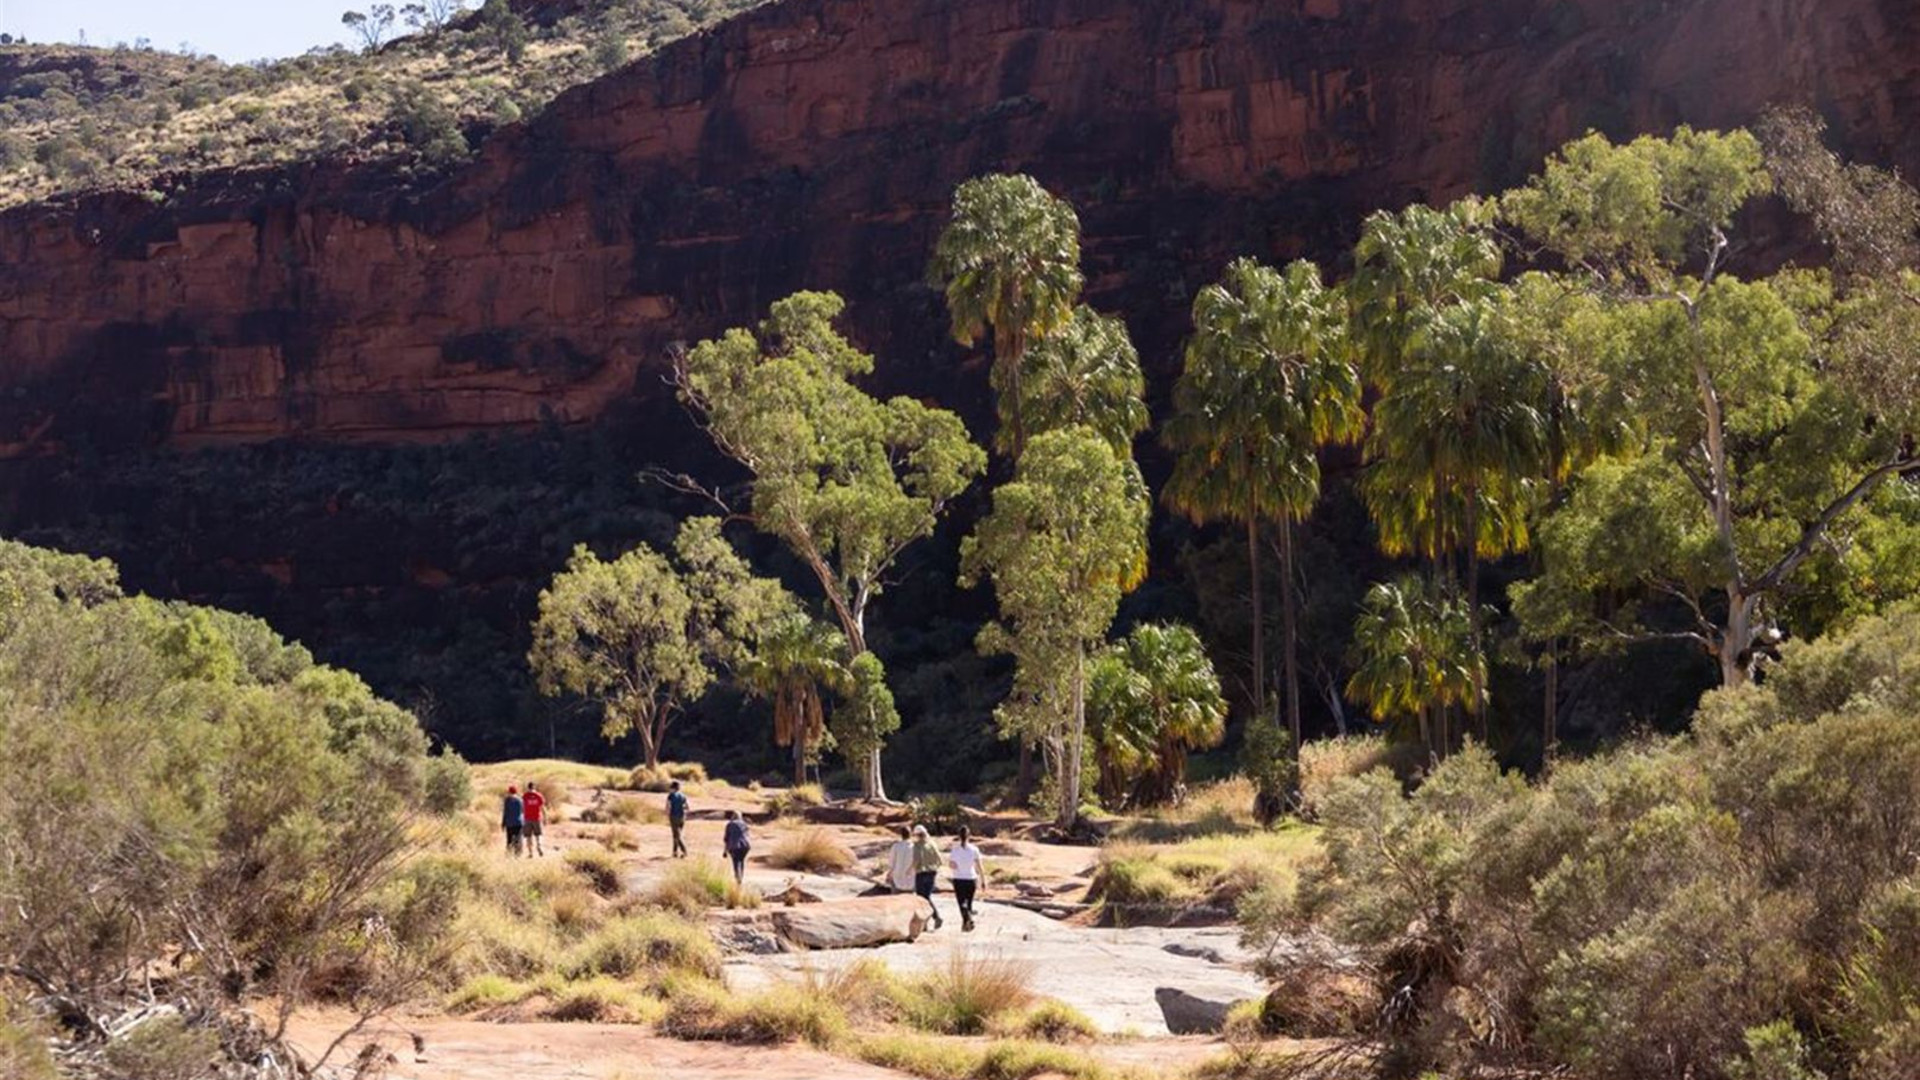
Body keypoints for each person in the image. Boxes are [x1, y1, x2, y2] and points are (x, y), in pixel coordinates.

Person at [948, 826, 985, 933]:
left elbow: (951, 864)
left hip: (959, 879)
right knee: (968, 903)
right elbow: (979, 866)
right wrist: (983, 880)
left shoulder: (955, 850)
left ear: (959, 836)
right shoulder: (974, 849)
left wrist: (956, 866)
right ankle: (966, 925)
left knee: (962, 903)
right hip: (971, 878)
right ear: (969, 836)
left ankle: (969, 920)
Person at [910, 824, 944, 930]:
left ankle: (934, 917)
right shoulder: (932, 844)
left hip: (921, 873)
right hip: (932, 872)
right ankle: (932, 919)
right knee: (927, 896)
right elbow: (940, 860)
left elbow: (916, 860)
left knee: (922, 898)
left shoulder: (917, 845)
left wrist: (910, 870)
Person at [722, 809, 751, 885]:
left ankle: (738, 879)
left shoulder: (730, 824)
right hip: (745, 845)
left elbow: (726, 839)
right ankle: (740, 877)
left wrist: (725, 851)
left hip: (734, 846)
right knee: (741, 861)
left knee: (736, 862)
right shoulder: (745, 824)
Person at [887, 825, 916, 893]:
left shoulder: (896, 846)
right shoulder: (914, 847)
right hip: (911, 880)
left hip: (897, 878)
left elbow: (891, 862)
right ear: (910, 834)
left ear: (901, 835)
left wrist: (890, 873)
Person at [521, 781, 546, 858]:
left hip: (527, 818)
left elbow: (522, 807)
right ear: (534, 787)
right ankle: (539, 847)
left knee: (528, 836)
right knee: (538, 835)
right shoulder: (539, 796)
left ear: (528, 787)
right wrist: (545, 817)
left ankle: (530, 853)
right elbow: (542, 808)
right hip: (537, 818)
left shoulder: (525, 796)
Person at [666, 780, 689, 859]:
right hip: (682, 817)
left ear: (673, 788)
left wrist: (667, 815)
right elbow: (687, 807)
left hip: (674, 816)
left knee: (676, 836)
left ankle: (684, 851)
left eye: (670, 788)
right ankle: (674, 852)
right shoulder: (683, 796)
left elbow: (668, 806)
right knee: (677, 835)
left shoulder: (671, 796)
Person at [501, 785, 524, 857]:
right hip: (518, 822)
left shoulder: (507, 800)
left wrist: (503, 823)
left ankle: (509, 854)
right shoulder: (520, 800)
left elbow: (505, 812)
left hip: (509, 823)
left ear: (509, 791)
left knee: (509, 839)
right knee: (518, 838)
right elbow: (523, 811)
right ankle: (518, 854)